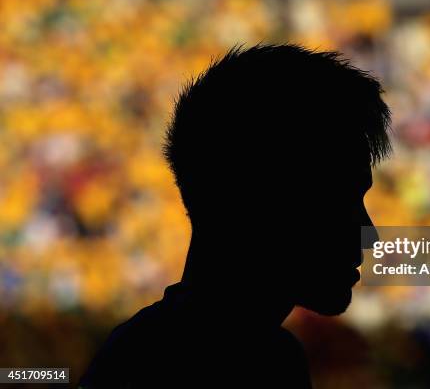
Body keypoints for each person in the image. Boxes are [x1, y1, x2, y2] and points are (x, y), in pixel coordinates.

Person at [79, 44, 391, 388]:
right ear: (262, 201)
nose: (368, 232)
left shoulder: (263, 357)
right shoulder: (180, 365)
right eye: (340, 200)